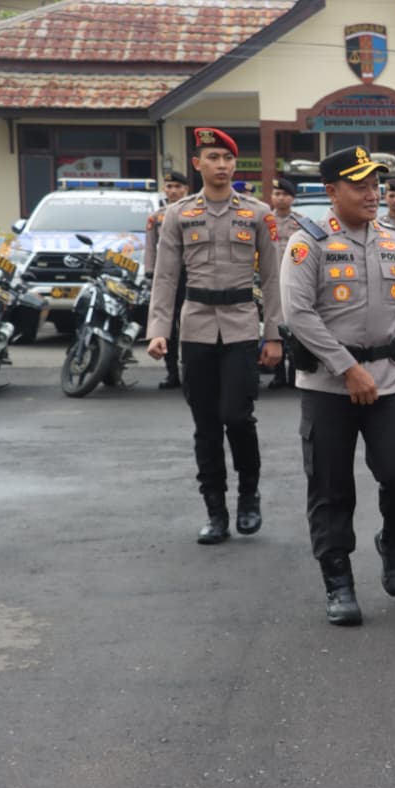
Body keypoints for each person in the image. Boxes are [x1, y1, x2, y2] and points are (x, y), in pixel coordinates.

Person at [280, 146, 395, 626]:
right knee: (330, 487)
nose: (373, 194)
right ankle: (338, 581)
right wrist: (347, 368)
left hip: (389, 382)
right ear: (332, 192)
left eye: (376, 185)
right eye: (360, 186)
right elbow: (298, 315)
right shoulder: (308, 243)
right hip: (328, 387)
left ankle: (392, 541)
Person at [146, 128, 283, 544]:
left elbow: (272, 278)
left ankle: (248, 496)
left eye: (227, 158)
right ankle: (215, 511)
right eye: (213, 157)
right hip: (196, 327)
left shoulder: (258, 214)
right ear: (197, 164)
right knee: (206, 424)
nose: (222, 165)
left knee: (237, 416)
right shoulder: (178, 214)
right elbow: (165, 277)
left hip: (241, 325)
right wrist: (158, 331)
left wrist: (274, 335)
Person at [145, 170, 190, 389]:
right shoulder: (156, 217)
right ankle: (172, 372)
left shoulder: (193, 214)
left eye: (178, 187)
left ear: (186, 190)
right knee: (167, 326)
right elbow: (150, 247)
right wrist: (149, 272)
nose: (173, 191)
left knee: (190, 324)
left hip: (190, 276)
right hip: (166, 278)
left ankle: (191, 372)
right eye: (169, 187)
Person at [267, 176, 301, 389]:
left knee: (295, 328)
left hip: (293, 283)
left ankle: (294, 372)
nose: (280, 198)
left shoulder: (300, 222)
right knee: (274, 326)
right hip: (270, 283)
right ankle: (278, 374)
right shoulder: (265, 221)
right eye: (277, 194)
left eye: (285, 194)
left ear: (292, 198)